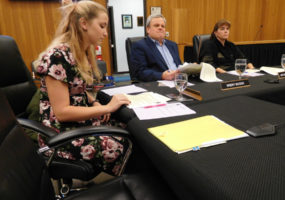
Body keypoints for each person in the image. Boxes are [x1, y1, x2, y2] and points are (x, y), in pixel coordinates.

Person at [34, 0, 131, 176]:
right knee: (119, 145)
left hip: (79, 123)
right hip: (60, 132)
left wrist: (94, 102)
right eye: (102, 26)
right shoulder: (58, 56)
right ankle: (129, 185)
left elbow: (78, 87)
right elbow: (62, 112)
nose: (105, 33)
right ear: (84, 23)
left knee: (130, 128)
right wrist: (106, 107)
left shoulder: (82, 52)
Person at [130, 14, 182, 82]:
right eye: (156, 25)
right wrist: (162, 76)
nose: (160, 28)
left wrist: (189, 67)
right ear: (148, 29)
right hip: (160, 84)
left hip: (179, 81)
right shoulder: (140, 46)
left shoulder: (173, 45)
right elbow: (140, 72)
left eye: (163, 26)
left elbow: (178, 65)